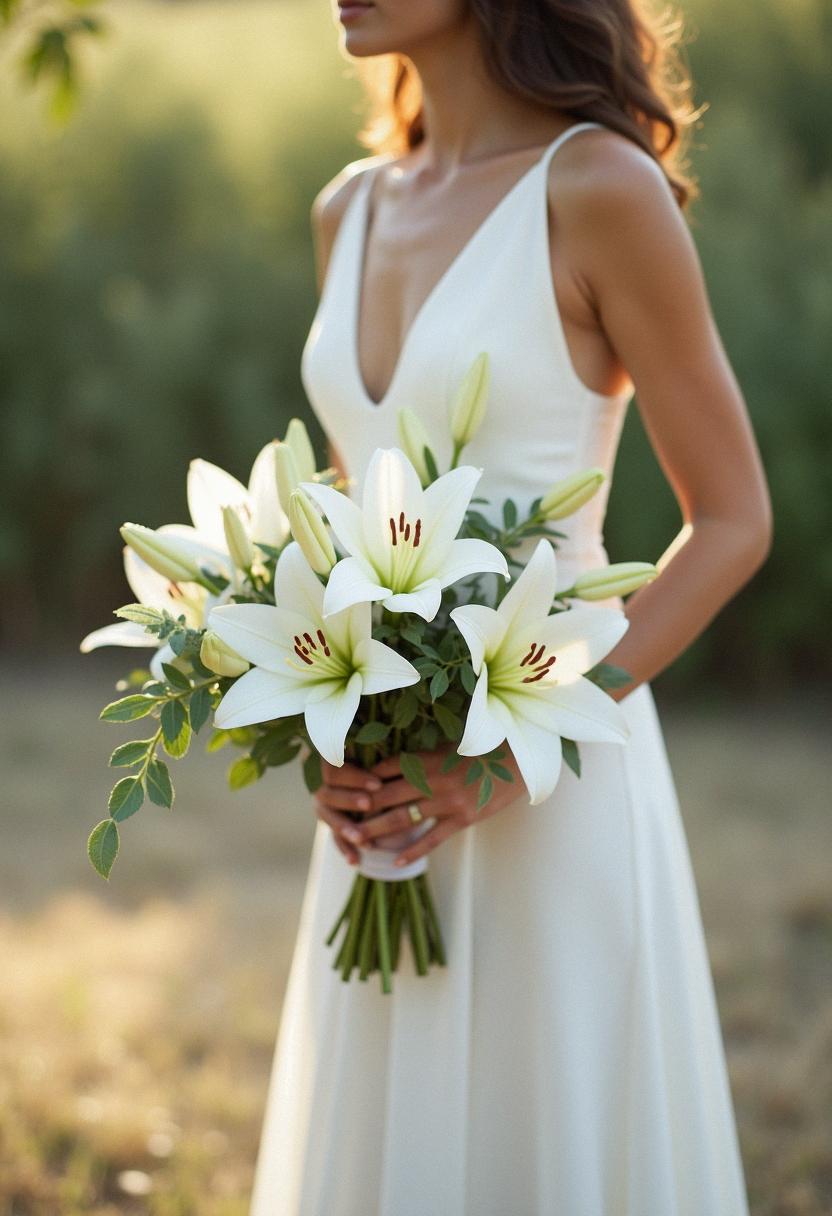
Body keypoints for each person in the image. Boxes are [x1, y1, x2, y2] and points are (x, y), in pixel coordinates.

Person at [249, 1, 772, 1212]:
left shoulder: (595, 188)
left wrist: (504, 762)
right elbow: (355, 502)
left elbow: (735, 518)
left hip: (553, 779)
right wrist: (325, 729)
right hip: (389, 813)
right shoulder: (349, 207)